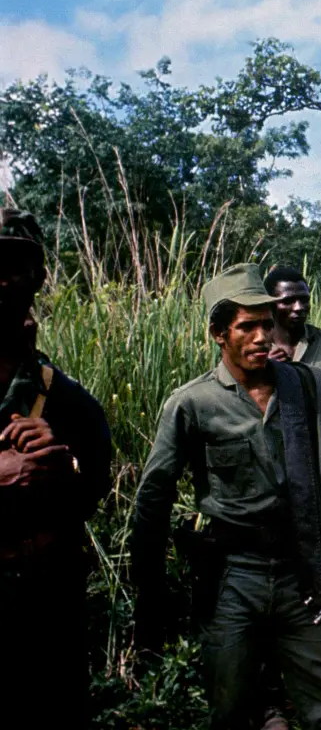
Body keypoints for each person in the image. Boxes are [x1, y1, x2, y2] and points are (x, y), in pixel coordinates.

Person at [132, 263, 321, 730]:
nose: (260, 337)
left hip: (300, 574)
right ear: (218, 333)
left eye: (265, 324)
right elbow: (154, 497)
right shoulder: (193, 404)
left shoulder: (310, 387)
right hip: (233, 577)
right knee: (230, 707)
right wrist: (149, 593)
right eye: (245, 326)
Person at [0, 208, 113, 726]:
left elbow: (92, 490)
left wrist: (60, 463)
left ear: (38, 279)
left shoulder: (68, 402)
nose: (1, 279)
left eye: (15, 266)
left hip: (46, 616)